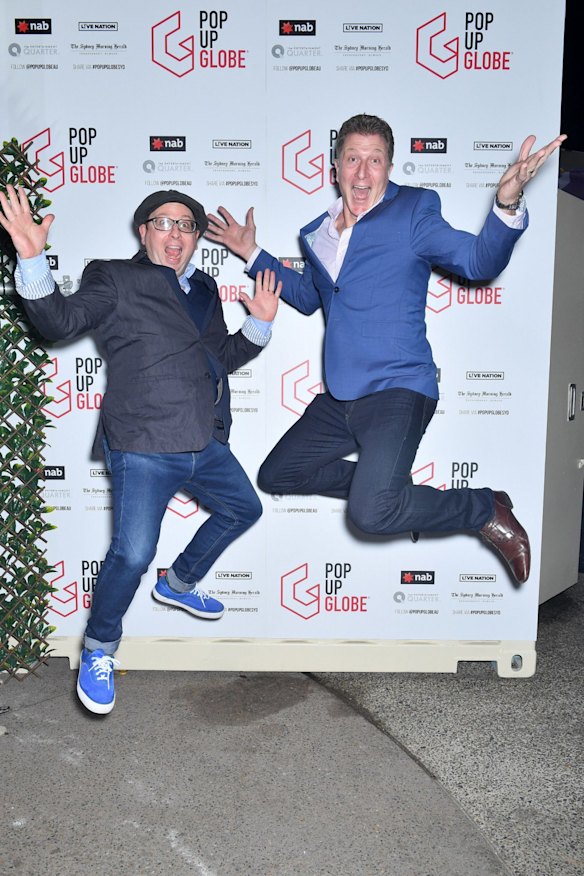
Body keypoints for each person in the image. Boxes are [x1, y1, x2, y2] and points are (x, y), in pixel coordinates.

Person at [207, 113, 566, 590]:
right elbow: (313, 295)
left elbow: (479, 261)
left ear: (389, 167)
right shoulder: (317, 234)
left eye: (374, 160)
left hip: (399, 388)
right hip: (340, 397)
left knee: (371, 513)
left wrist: (507, 202)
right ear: (335, 167)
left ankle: (482, 507)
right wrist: (252, 254)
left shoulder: (415, 212)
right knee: (278, 473)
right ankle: (393, 492)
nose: (362, 171)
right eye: (352, 158)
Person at [0, 186, 281, 714]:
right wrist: (32, 260)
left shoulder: (204, 290)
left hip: (204, 439)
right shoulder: (115, 277)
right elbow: (59, 322)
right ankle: (99, 649)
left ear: (196, 238)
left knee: (245, 507)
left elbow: (218, 356)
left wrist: (259, 324)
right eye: (163, 223)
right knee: (132, 553)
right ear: (143, 231)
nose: (175, 234)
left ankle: (179, 581)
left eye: (186, 226)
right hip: (144, 443)